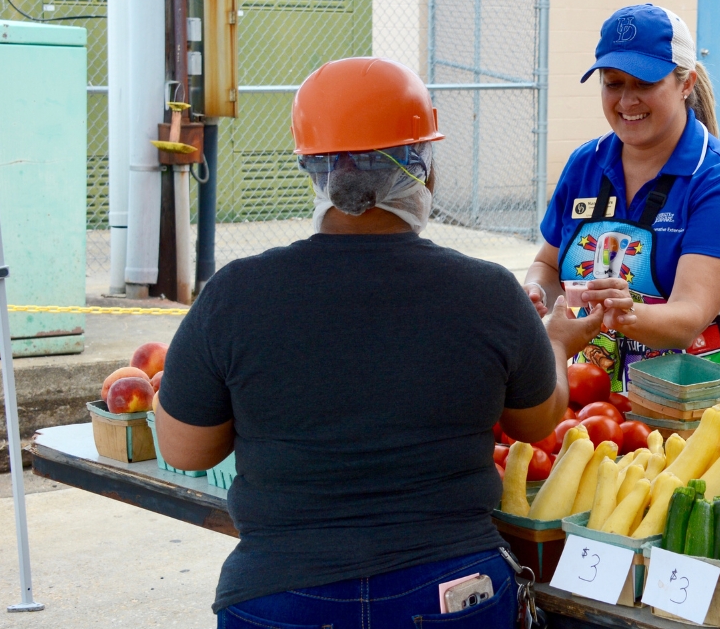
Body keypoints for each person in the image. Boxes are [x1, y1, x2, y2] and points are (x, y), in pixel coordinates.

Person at [154, 57, 603, 629]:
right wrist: (557, 343)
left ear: (313, 171)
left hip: (282, 593)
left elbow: (186, 451)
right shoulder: (488, 292)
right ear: (425, 169)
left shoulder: (236, 294)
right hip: (451, 593)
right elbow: (538, 422)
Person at [523, 4, 720, 422]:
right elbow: (547, 265)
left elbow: (687, 319)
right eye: (613, 83)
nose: (627, 101)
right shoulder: (585, 165)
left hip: (712, 410)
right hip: (608, 407)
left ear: (686, 84)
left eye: (645, 83)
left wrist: (623, 311)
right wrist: (536, 294)